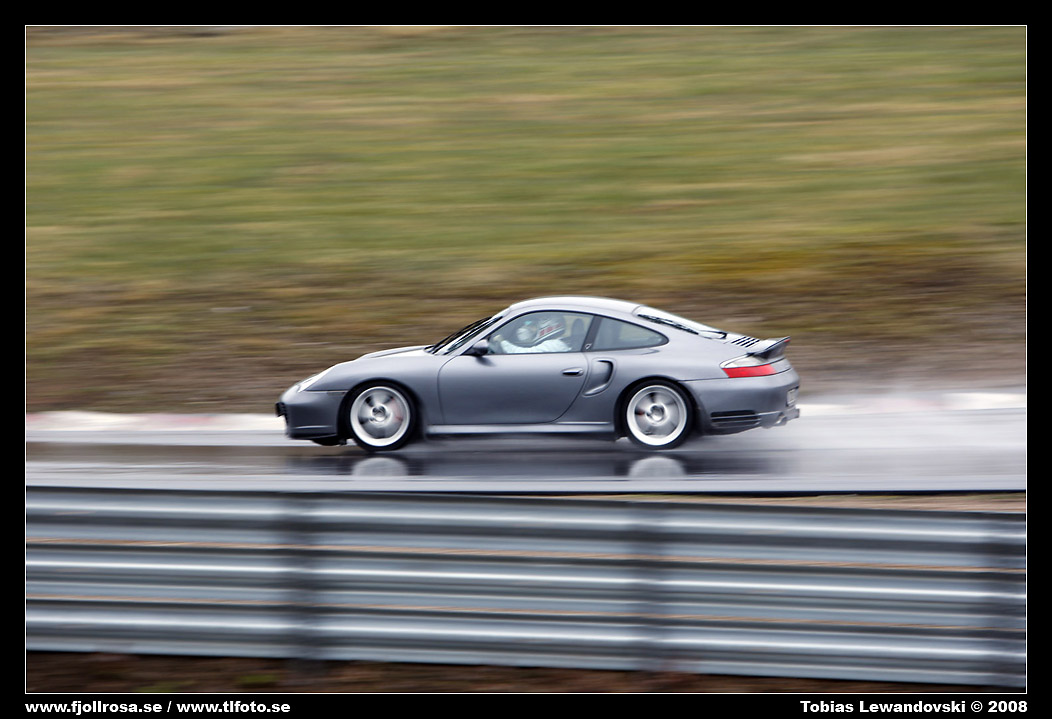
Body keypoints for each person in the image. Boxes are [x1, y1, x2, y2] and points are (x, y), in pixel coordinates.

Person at [491, 314, 571, 354]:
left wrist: (502, 341)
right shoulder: (557, 343)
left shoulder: (553, 344)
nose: (532, 330)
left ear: (548, 326)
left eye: (534, 326)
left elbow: (522, 354)